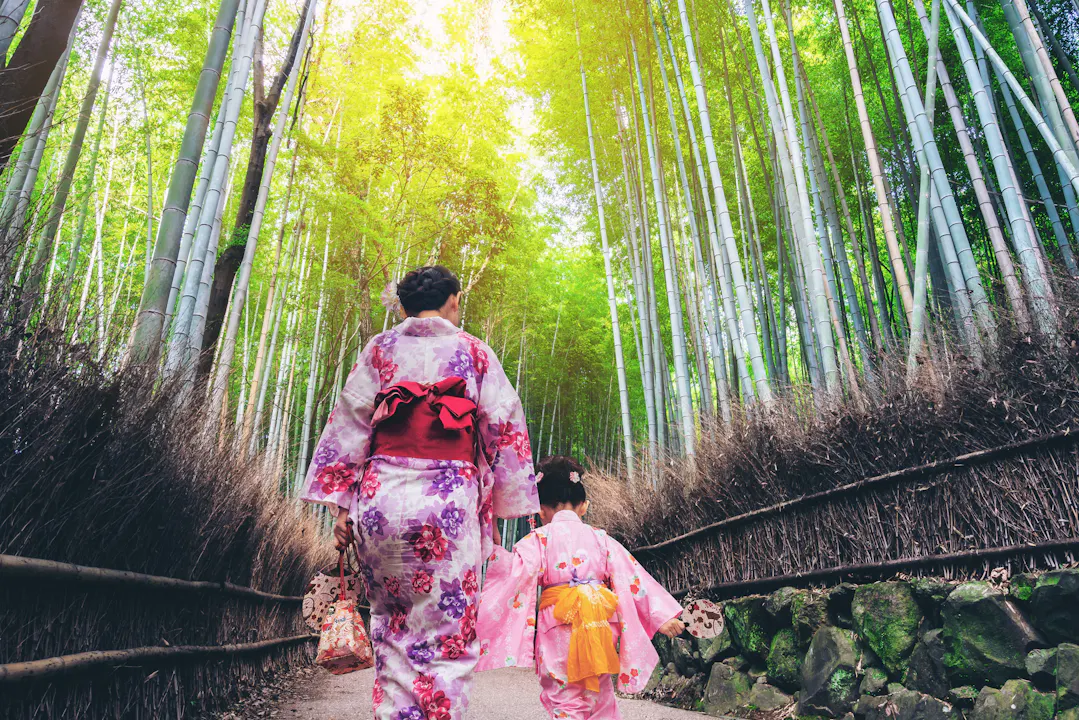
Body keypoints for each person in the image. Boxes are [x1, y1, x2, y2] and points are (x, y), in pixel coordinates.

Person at [300, 265, 538, 720]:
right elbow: (504, 424)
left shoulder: (381, 348)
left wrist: (343, 505)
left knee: (390, 625)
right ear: (453, 299)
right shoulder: (475, 352)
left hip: (381, 500)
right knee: (449, 633)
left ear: (406, 305)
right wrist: (510, 499)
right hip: (447, 505)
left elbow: (350, 421)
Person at [474, 456, 685, 719]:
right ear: (584, 506)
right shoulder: (601, 539)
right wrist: (661, 617)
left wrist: (493, 537)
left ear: (540, 510)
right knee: (599, 695)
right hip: (599, 625)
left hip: (559, 628)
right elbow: (631, 577)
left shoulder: (538, 539)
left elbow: (512, 573)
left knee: (566, 699)